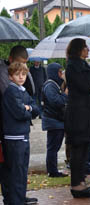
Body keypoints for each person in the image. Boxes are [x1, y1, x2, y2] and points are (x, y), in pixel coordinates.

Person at [0, 45, 38, 205]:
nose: (21, 74)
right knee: (12, 169)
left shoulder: (19, 86)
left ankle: (18, 197)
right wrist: (26, 108)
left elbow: (34, 106)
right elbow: (19, 110)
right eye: (18, 70)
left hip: (19, 132)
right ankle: (13, 198)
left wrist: (28, 107)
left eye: (24, 68)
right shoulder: (8, 85)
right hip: (8, 130)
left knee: (20, 169)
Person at [64, 38, 90, 198]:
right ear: (78, 49)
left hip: (86, 113)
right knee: (78, 150)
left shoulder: (83, 65)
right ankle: (76, 185)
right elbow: (85, 85)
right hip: (78, 114)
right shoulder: (72, 66)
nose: (88, 50)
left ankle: (81, 182)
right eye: (85, 48)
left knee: (85, 148)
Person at [42, 63, 68, 177]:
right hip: (53, 121)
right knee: (53, 147)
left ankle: (53, 169)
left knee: (54, 147)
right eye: (59, 71)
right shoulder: (50, 85)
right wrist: (65, 95)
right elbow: (56, 102)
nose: (61, 74)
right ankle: (52, 171)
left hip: (56, 120)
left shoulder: (54, 85)